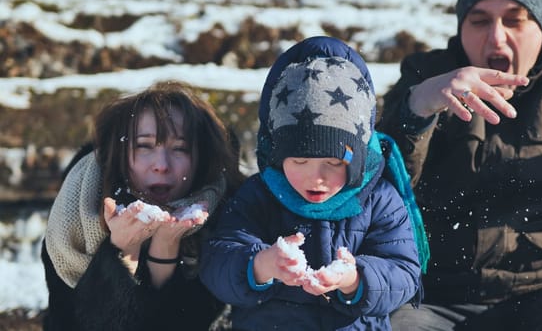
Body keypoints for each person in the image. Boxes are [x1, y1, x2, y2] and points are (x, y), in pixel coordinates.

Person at [377, 0, 542, 330]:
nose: (496, 38)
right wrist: (416, 109)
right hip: (437, 292)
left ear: (541, 24)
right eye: (479, 21)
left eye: (515, 20)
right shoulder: (425, 75)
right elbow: (380, 184)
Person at [200, 36, 427, 330]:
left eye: (333, 163)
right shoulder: (259, 195)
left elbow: (405, 273)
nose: (316, 177)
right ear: (277, 156)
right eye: (299, 162)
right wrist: (261, 265)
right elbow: (217, 262)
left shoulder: (379, 199)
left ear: (357, 160)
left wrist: (354, 278)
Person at [41, 80, 245, 331]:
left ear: (200, 158)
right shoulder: (77, 218)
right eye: (144, 146)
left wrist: (166, 246)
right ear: (120, 152)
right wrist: (121, 252)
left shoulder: (227, 218)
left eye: (179, 148)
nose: (161, 164)